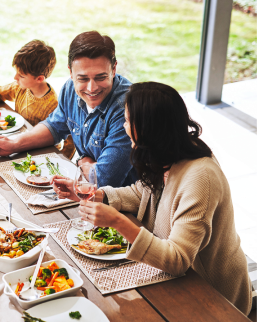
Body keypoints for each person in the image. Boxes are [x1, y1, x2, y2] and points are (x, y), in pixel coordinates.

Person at [52, 82, 252, 315]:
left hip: (211, 296)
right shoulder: (168, 151)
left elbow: (178, 259)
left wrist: (117, 221)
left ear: (148, 127)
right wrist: (95, 194)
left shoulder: (200, 178)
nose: (124, 127)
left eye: (128, 121)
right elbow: (143, 192)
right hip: (177, 281)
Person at [0, 31, 136, 187]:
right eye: (82, 78)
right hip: (84, 188)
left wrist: (81, 162)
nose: (92, 88)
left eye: (100, 77)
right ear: (70, 72)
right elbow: (54, 127)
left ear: (114, 68)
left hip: (118, 204)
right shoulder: (70, 89)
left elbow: (105, 179)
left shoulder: (127, 108)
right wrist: (14, 144)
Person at [0, 39, 58, 126]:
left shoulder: (52, 106)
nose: (15, 77)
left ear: (39, 79)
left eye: (21, 76)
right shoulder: (19, 88)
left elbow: (53, 135)